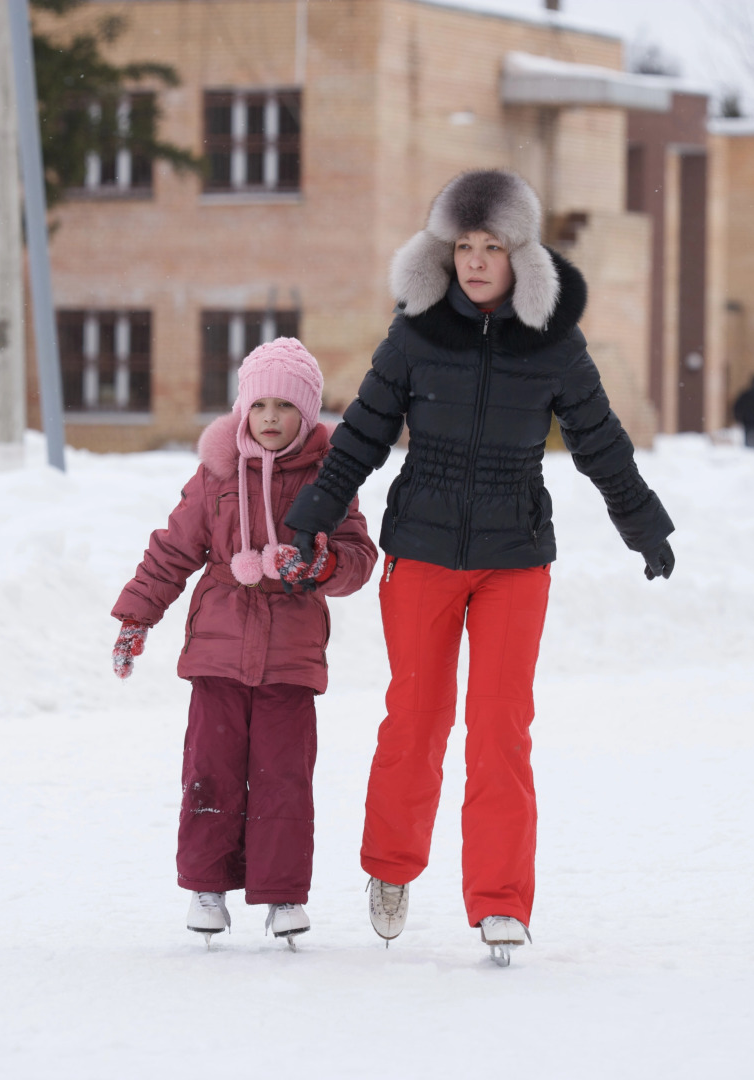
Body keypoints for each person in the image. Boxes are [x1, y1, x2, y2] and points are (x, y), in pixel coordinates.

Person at [283, 169, 676, 965]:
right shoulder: (415, 332)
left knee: (501, 730)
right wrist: (314, 515)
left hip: (514, 559)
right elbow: (361, 431)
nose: (474, 260)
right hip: (421, 550)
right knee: (417, 718)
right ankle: (390, 870)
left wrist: (642, 524)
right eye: (463, 244)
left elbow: (598, 438)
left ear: (519, 253)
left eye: (491, 245)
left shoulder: (553, 342)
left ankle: (500, 900)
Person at [110, 339, 378, 947]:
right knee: (211, 772)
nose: (272, 418)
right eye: (261, 405)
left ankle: (282, 895)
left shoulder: (329, 481)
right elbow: (173, 551)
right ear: (242, 409)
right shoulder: (216, 474)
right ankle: (208, 888)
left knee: (284, 778)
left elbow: (360, 559)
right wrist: (136, 617)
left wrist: (321, 563)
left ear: (307, 414)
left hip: (291, 655)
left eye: (286, 406)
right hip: (218, 651)